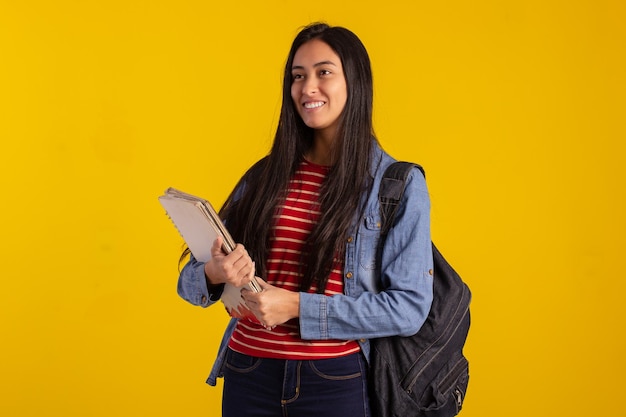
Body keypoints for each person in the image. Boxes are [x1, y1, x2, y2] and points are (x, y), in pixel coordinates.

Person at [177, 22, 434, 417]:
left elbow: (409, 307)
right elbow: (188, 283)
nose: (307, 87)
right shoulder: (265, 176)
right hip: (248, 371)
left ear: (355, 82)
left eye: (323, 72)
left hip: (333, 381)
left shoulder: (396, 185)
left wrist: (297, 306)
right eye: (298, 76)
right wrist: (215, 271)